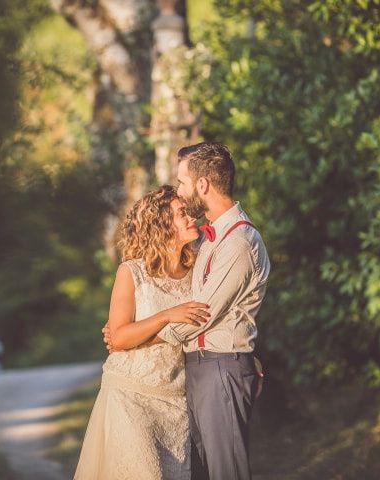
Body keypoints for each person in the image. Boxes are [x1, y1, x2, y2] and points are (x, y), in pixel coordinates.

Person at [105, 142, 271, 480]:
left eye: (182, 182)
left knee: (227, 471)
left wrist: (135, 334)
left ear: (202, 185)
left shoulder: (238, 242)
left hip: (218, 366)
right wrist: (130, 331)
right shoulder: (206, 241)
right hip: (192, 373)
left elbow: (198, 316)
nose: (180, 189)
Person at [74, 185, 211, 480]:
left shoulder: (199, 269)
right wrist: (166, 316)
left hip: (176, 399)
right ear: (161, 225)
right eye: (181, 214)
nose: (191, 219)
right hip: (130, 394)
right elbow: (119, 339)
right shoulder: (131, 272)